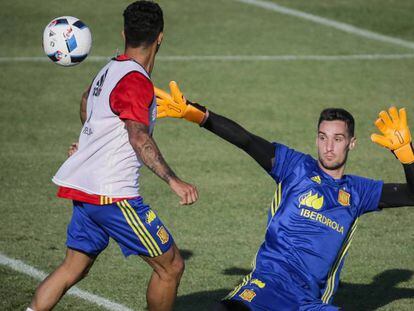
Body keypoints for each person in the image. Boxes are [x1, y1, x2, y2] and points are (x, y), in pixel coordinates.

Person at [154, 81, 414, 310]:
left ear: (352, 143)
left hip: (308, 302)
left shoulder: (359, 192)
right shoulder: (295, 167)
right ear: (316, 139)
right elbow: (246, 141)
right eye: (323, 138)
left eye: (338, 139)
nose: (329, 147)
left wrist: (407, 156)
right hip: (265, 286)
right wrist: (198, 114)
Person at [27, 3, 198, 311]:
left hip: (86, 192)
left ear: (124, 34)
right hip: (113, 197)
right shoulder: (135, 80)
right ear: (160, 37)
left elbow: (85, 102)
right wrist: (173, 180)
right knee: (171, 266)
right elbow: (138, 136)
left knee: (73, 268)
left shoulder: (110, 69)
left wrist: (89, 144)